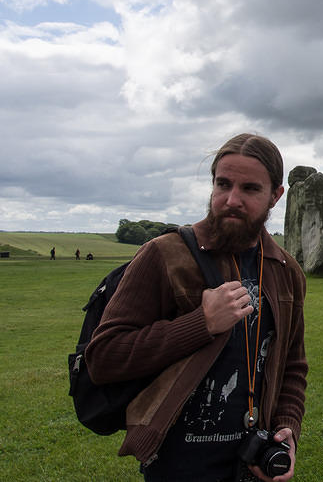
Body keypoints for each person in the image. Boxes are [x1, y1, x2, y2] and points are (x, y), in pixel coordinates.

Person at [86, 133, 308, 482]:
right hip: (180, 464)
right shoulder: (165, 255)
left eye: (250, 189)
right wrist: (199, 323)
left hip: (254, 462)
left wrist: (286, 430)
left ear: (275, 196)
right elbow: (103, 358)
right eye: (223, 184)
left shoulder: (285, 271)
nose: (231, 199)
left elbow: (292, 366)